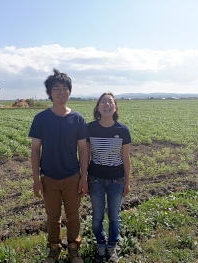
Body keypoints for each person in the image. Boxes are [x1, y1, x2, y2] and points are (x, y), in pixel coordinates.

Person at [28, 69, 89, 263]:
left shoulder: (78, 118)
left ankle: (74, 249)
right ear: (50, 93)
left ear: (69, 92)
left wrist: (83, 177)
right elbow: (35, 150)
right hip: (49, 178)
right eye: (57, 89)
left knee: (73, 215)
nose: (61, 92)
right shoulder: (40, 119)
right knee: (52, 217)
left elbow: (83, 150)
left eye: (65, 88)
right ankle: (54, 249)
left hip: (72, 176)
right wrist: (36, 180)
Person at [87, 92, 131, 262]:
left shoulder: (123, 130)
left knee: (114, 216)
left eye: (110, 102)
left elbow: (126, 158)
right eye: (103, 101)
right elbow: (85, 153)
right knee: (97, 216)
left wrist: (127, 182)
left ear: (115, 107)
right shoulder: (90, 128)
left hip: (116, 180)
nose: (107, 104)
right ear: (98, 107)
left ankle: (112, 246)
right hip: (95, 179)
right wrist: (84, 178)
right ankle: (100, 245)